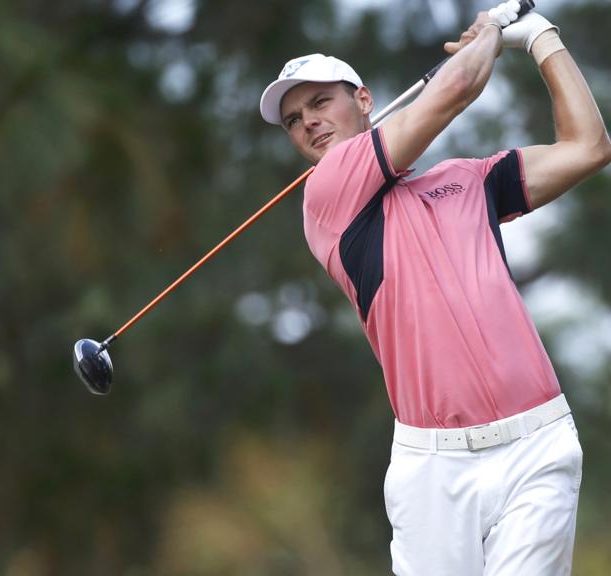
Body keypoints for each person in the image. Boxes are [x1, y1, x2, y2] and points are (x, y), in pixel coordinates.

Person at [258, 1, 611, 574]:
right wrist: (493, 31)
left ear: (364, 100)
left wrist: (543, 39)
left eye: (320, 102)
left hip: (537, 444)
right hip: (434, 470)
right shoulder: (327, 195)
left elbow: (587, 147)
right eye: (295, 120)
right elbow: (457, 89)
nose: (309, 124)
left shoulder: (465, 181)